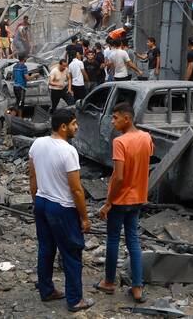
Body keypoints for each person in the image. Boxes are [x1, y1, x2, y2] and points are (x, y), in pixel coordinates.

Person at [28, 109, 94, 313]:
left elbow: (32, 178)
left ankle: (47, 290)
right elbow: (76, 189)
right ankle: (75, 300)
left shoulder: (37, 143)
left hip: (42, 201)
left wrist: (37, 201)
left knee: (46, 249)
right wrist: (84, 218)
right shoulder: (68, 151)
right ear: (63, 126)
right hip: (61, 208)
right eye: (74, 123)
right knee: (72, 252)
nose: (77, 127)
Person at [95, 102, 153, 304]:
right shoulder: (146, 138)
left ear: (126, 118)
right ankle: (137, 287)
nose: (112, 121)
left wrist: (108, 203)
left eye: (115, 118)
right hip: (138, 198)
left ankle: (109, 282)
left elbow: (119, 177)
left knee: (113, 239)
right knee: (133, 242)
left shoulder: (120, 142)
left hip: (120, 200)